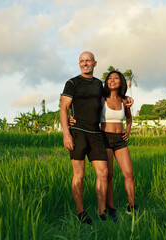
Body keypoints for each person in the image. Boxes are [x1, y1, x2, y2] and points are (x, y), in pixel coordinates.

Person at [60, 51, 133, 224]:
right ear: (79, 64)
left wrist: (127, 99)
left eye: (88, 61)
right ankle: (81, 212)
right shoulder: (72, 83)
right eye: (82, 61)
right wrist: (66, 133)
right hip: (77, 132)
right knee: (79, 173)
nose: (85, 63)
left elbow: (113, 96)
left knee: (104, 172)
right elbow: (64, 108)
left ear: (95, 63)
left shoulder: (99, 85)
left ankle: (102, 212)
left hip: (96, 134)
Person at [100, 70, 136, 220]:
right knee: (109, 176)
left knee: (128, 173)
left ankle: (132, 206)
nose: (112, 80)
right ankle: (111, 208)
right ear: (107, 82)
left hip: (120, 140)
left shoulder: (124, 101)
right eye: (110, 78)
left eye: (116, 78)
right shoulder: (102, 99)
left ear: (121, 82)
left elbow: (128, 118)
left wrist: (128, 130)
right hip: (105, 139)